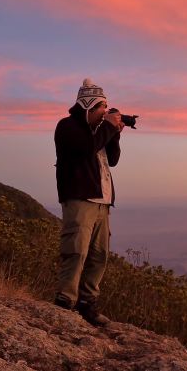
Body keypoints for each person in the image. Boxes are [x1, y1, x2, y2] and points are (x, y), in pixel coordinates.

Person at [53, 78, 124, 326]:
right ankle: (64, 301)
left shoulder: (100, 132)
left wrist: (114, 133)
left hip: (102, 202)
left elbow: (112, 160)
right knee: (76, 250)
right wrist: (108, 128)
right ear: (89, 106)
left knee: (99, 255)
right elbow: (85, 149)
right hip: (80, 198)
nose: (106, 111)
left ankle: (87, 303)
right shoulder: (67, 127)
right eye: (102, 106)